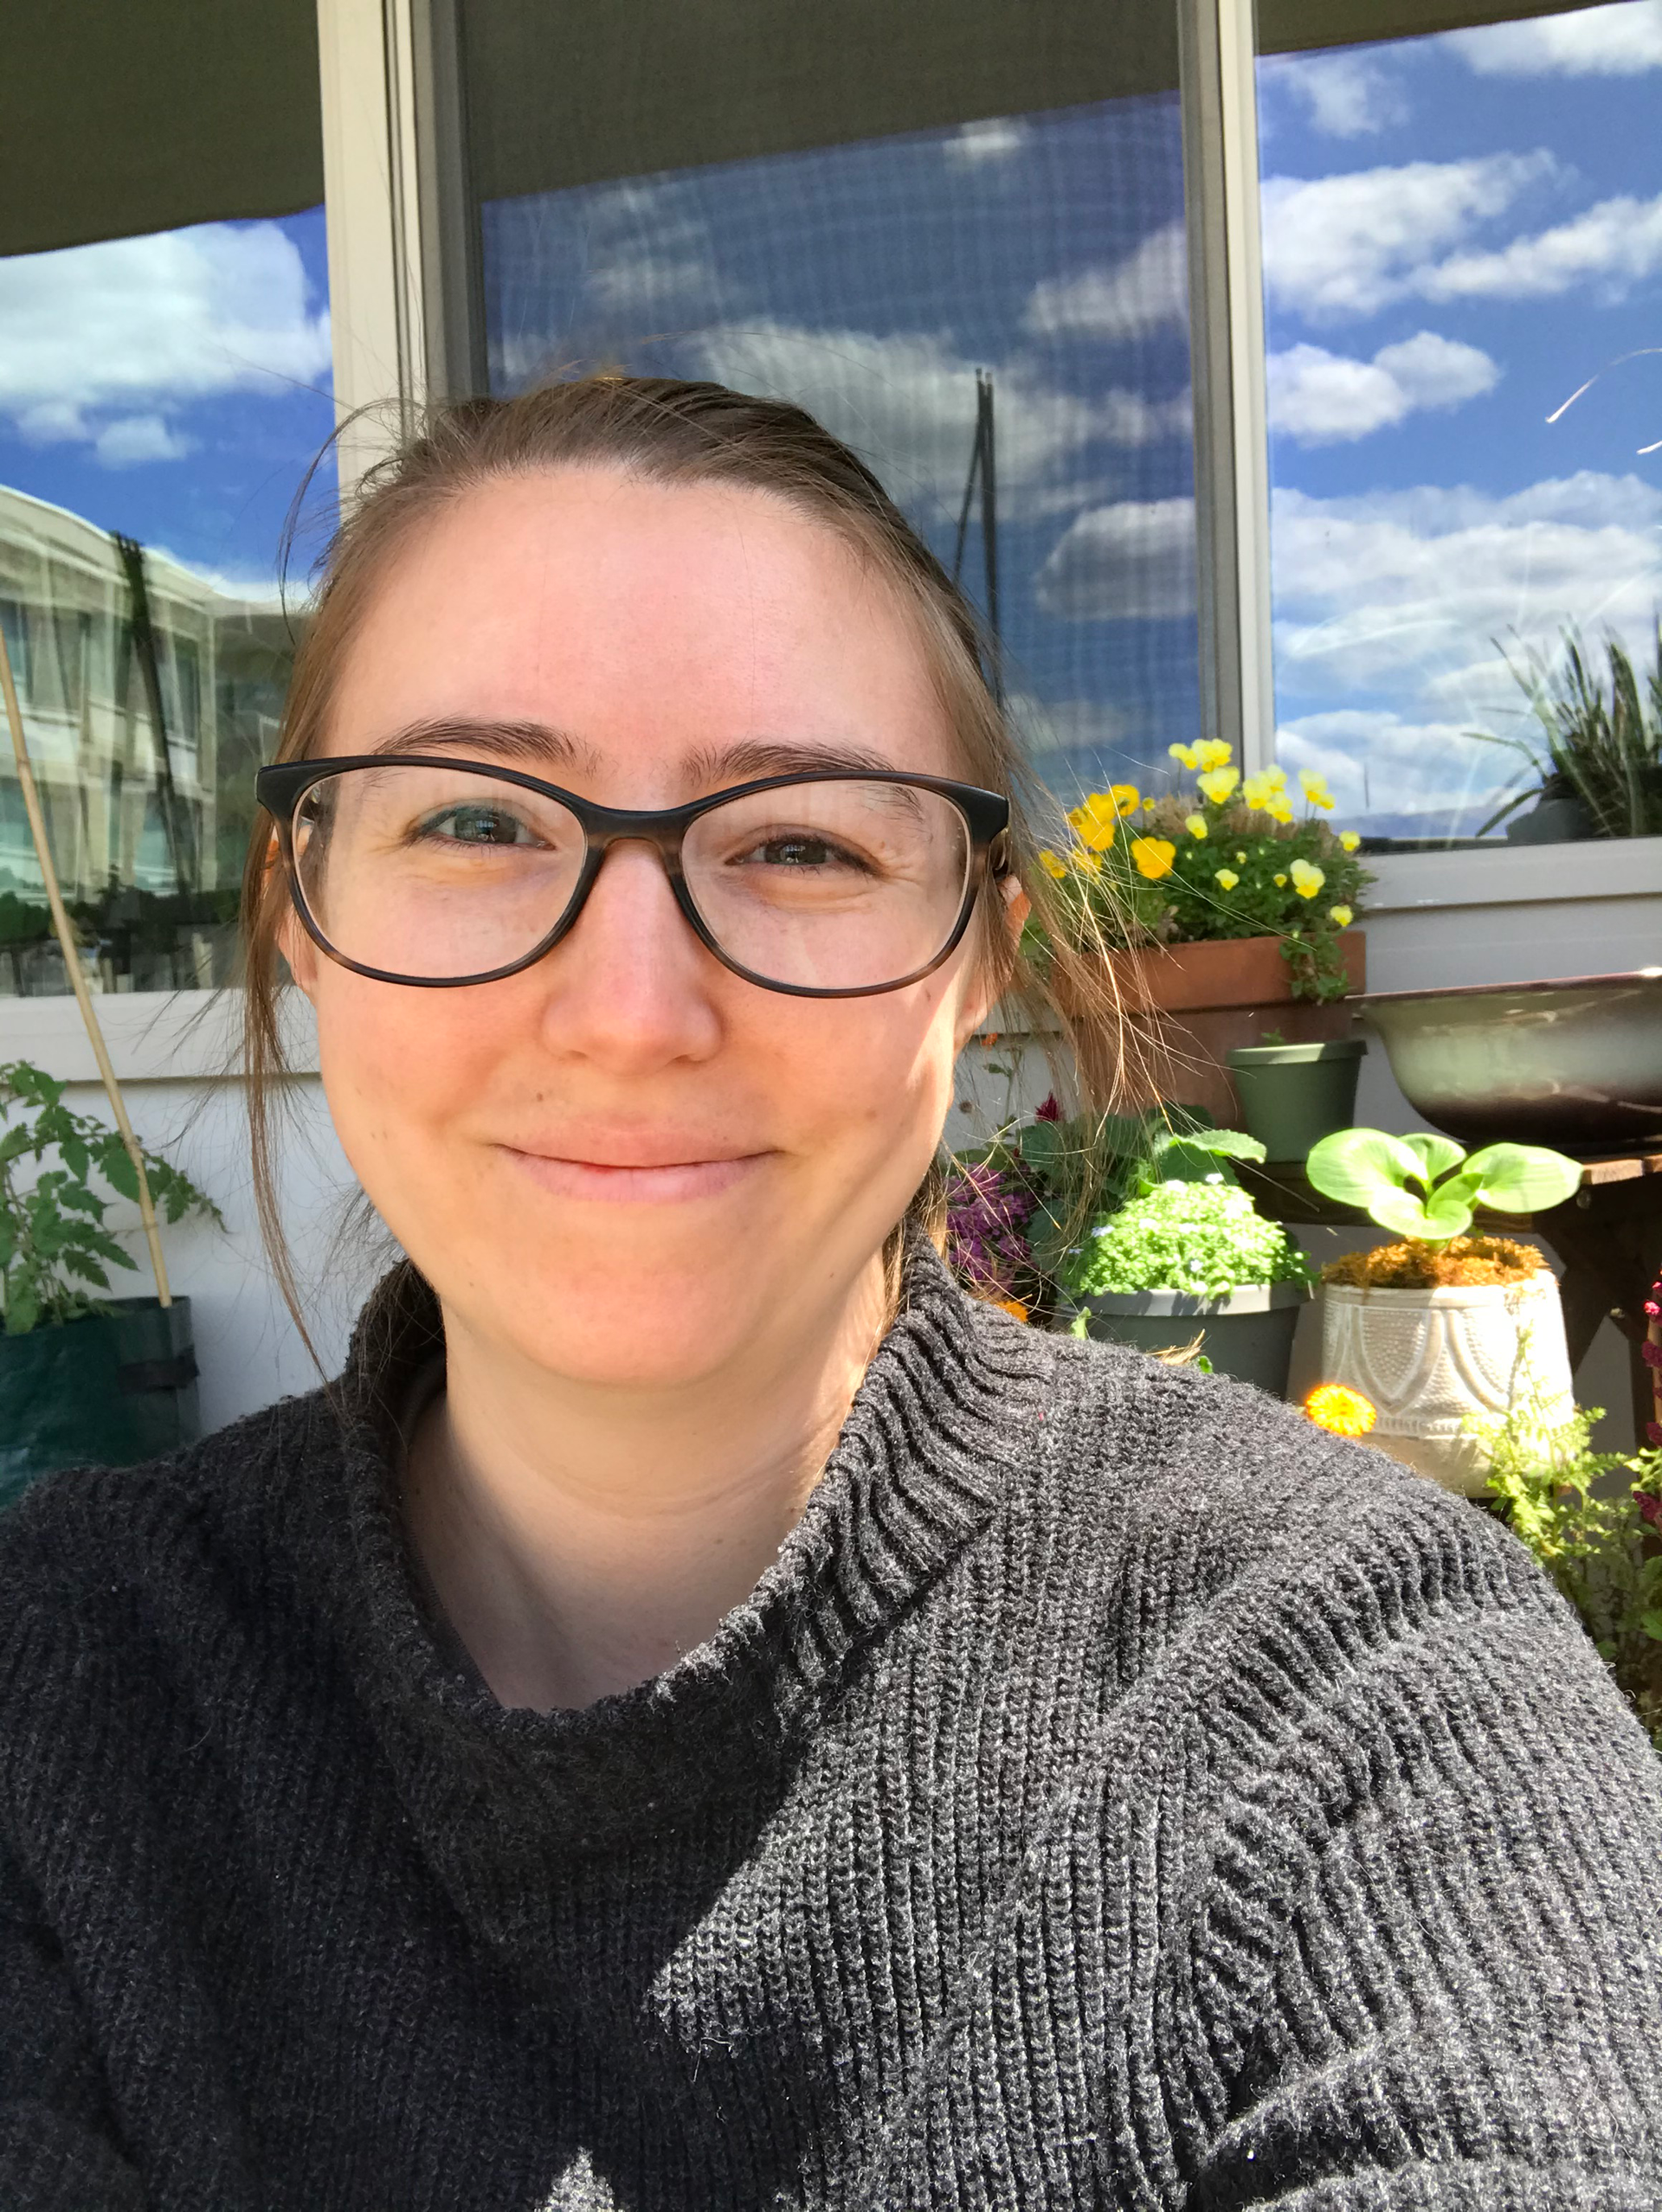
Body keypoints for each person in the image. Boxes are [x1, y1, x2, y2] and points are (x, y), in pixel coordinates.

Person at [3, 376, 1659, 2212]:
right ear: (298, 907)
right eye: (475, 824)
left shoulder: (1348, 1688)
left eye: (803, 844)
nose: (631, 1013)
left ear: (976, 970)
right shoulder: (51, 1709)